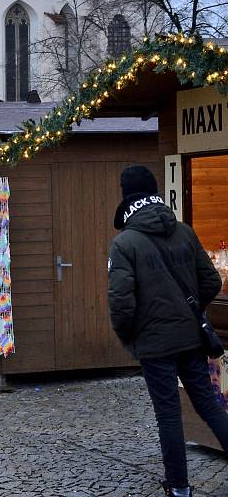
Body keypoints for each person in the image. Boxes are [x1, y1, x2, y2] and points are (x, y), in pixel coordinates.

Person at [107, 165, 228, 497]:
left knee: (168, 414)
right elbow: (212, 281)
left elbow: (121, 302)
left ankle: (179, 487)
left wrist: (130, 335)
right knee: (208, 404)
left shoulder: (125, 243)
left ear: (126, 195)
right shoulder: (184, 232)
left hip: (155, 345)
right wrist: (189, 313)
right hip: (190, 337)